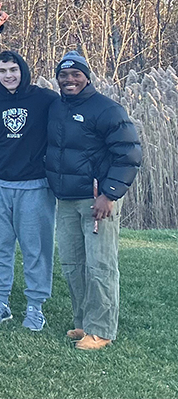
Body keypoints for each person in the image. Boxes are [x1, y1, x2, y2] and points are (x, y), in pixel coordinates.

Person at [46, 51, 141, 350]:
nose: (69, 80)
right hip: (66, 198)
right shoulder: (56, 107)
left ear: (87, 76)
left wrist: (109, 194)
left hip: (97, 199)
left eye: (75, 74)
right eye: (63, 75)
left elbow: (129, 153)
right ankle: (83, 322)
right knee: (73, 264)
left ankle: (101, 330)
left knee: (100, 265)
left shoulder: (106, 109)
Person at [0, 51, 59, 330]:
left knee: (35, 249)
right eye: (2, 71)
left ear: (23, 70)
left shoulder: (46, 100)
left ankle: (35, 306)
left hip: (34, 185)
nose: (8, 75)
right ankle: (1, 302)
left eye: (13, 69)